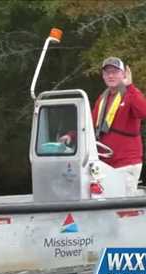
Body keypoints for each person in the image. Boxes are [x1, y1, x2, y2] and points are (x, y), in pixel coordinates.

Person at [60, 57, 146, 195]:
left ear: (123, 74)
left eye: (115, 72)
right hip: (105, 165)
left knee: (123, 208)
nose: (111, 75)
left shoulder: (130, 94)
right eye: (107, 72)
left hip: (126, 163)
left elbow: (144, 112)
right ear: (103, 76)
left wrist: (130, 86)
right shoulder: (103, 98)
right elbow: (89, 123)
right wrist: (71, 135)